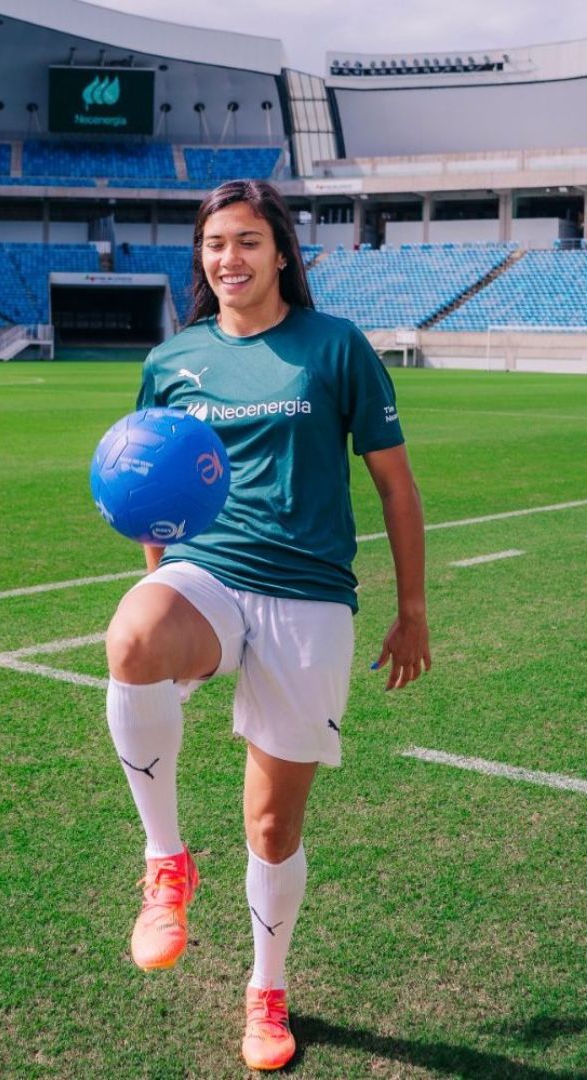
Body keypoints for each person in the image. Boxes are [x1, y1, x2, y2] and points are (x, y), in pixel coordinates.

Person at [103, 179, 431, 1071]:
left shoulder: (334, 346)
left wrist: (411, 610)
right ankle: (166, 864)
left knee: (273, 830)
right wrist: (162, 588)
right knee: (131, 636)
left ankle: (267, 988)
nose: (230, 259)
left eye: (248, 241)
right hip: (208, 572)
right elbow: (153, 487)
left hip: (308, 594)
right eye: (215, 244)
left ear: (281, 251)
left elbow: (396, 486)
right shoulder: (173, 360)